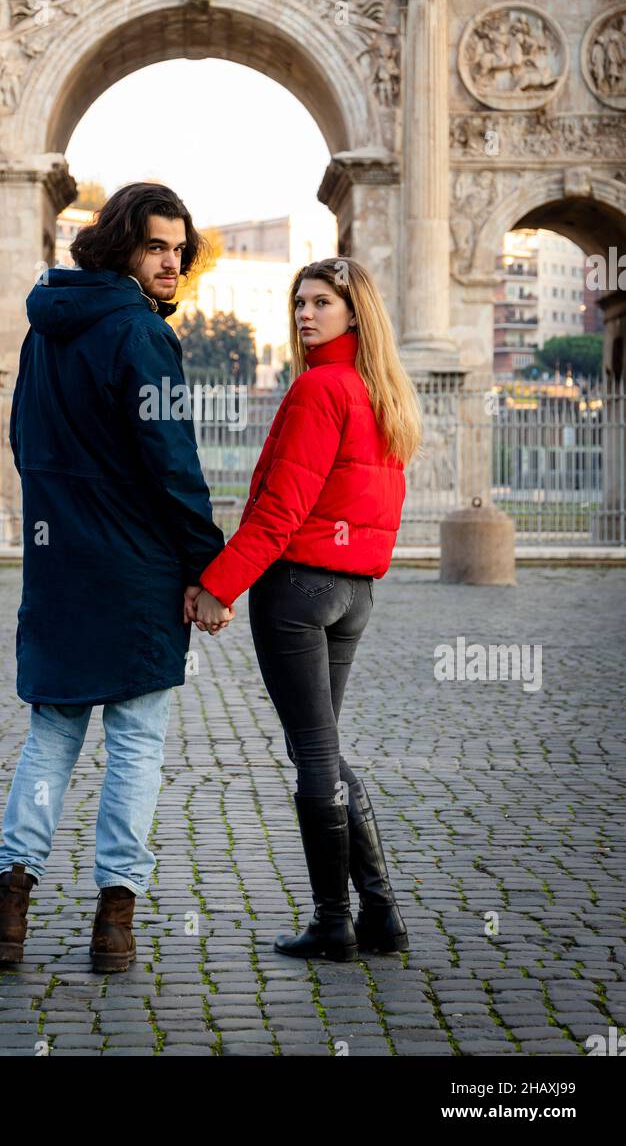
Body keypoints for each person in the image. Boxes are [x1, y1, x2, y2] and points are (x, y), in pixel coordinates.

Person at [0, 182, 233, 973]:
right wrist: (205, 565)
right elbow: (173, 462)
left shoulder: (43, 329)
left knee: (50, 738)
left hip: (59, 569)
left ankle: (9, 913)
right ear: (121, 243)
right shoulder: (140, 336)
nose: (172, 264)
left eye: (180, 251)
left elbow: (24, 440)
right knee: (137, 746)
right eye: (157, 247)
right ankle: (113, 922)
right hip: (134, 573)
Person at [186, 256, 422, 961]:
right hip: (355, 593)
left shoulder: (321, 389)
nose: (305, 314)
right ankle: (379, 914)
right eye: (299, 302)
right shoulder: (382, 393)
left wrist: (217, 585)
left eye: (322, 302)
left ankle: (333, 923)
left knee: (314, 752)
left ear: (355, 311)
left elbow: (280, 511)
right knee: (318, 746)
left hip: (299, 591)